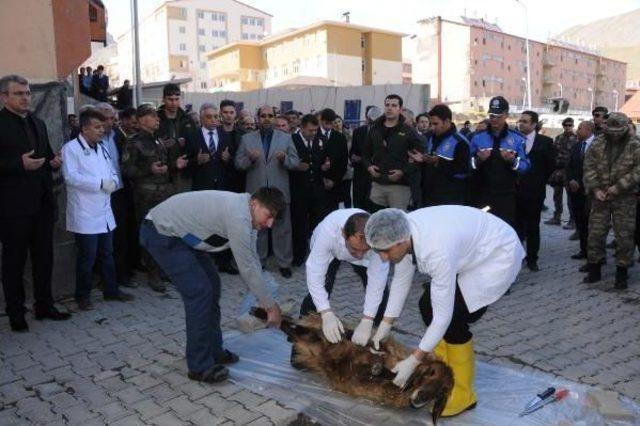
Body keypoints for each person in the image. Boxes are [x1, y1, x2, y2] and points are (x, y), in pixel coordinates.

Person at [363, 207, 524, 417]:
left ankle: (463, 394)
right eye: (378, 252)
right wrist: (385, 324)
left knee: (455, 317)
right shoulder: (401, 231)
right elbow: (401, 281)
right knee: (426, 305)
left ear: (401, 241)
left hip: (497, 255)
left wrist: (414, 360)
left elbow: (443, 317)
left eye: (386, 251)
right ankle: (441, 372)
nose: (383, 258)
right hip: (471, 249)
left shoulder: (435, 249)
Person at [140, 187, 285, 383]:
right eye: (268, 216)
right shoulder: (238, 216)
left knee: (212, 286)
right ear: (255, 203)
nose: (270, 223)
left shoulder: (248, 216)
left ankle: (214, 351)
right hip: (161, 231)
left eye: (274, 219)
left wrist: (266, 299)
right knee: (199, 292)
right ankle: (199, 367)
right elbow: (247, 267)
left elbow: (252, 259)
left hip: (183, 236)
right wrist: (270, 305)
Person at [0, 74, 69, 332]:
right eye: (19, 93)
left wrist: (53, 161)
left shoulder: (38, 123)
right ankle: (16, 313)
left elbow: (46, 155)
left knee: (44, 258)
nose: (26, 97)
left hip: (42, 203)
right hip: (13, 208)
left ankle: (44, 306)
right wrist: (19, 164)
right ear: (4, 96)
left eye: (28, 93)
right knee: (14, 262)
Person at [62, 108, 134, 310]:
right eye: (97, 127)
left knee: (107, 253)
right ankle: (82, 296)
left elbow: (111, 169)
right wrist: (100, 183)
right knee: (87, 257)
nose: (101, 130)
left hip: (104, 210)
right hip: (85, 213)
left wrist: (111, 181)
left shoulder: (101, 147)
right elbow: (71, 177)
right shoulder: (71, 149)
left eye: (102, 126)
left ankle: (111, 291)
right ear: (84, 129)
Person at [300, 209, 390, 344]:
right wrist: (326, 312)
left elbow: (377, 282)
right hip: (331, 251)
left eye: (365, 250)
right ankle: (303, 343)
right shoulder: (327, 233)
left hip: (367, 253)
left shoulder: (378, 240)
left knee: (382, 296)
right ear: (343, 233)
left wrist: (368, 319)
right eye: (355, 249)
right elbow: (314, 275)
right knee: (319, 293)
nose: (359, 255)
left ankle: (375, 340)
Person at [123, 104, 187, 292]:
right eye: (153, 117)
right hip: (146, 196)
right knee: (150, 234)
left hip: (164, 193)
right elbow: (126, 170)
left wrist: (175, 164)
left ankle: (164, 269)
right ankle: (153, 273)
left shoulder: (158, 141)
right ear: (142, 119)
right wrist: (148, 170)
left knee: (166, 232)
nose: (158, 119)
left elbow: (164, 166)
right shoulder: (133, 142)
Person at [235, 105, 299, 278]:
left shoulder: (286, 138)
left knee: (283, 228)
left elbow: (295, 163)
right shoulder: (247, 139)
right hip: (257, 191)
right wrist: (250, 159)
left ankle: (284, 263)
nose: (266, 119)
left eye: (270, 115)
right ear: (258, 118)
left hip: (279, 190)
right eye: (263, 116)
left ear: (275, 117)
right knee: (258, 229)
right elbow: (238, 164)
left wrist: (285, 159)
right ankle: (258, 262)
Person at [583, 112, 640, 289]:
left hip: (625, 198)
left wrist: (619, 186)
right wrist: (595, 188)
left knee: (624, 236)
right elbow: (588, 166)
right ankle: (595, 269)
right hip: (601, 197)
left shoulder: (634, 145)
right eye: (611, 130)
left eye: (618, 131)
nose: (614, 134)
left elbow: (638, 170)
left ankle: (621, 273)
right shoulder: (598, 143)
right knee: (596, 233)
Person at [469, 96, 530, 228]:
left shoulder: (517, 139)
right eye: (491, 115)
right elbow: (466, 165)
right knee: (482, 230)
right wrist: (478, 160)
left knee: (504, 230)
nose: (494, 119)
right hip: (482, 194)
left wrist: (512, 161)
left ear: (506, 115)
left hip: (506, 196)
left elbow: (525, 167)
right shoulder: (477, 138)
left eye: (498, 116)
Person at [96, 103, 138, 288]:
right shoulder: (90, 139)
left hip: (119, 192)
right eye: (106, 118)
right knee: (104, 238)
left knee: (121, 234)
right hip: (100, 193)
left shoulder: (117, 137)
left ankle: (122, 273)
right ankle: (104, 276)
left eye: (113, 119)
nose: (110, 123)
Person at [362, 94, 424, 211]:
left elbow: (419, 158)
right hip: (377, 185)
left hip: (399, 187)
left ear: (400, 109)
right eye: (387, 105)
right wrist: (369, 167)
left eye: (394, 105)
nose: (389, 108)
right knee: (377, 222)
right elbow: (365, 153)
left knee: (398, 224)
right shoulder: (375, 130)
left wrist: (403, 172)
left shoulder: (408, 131)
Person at [289, 114, 334, 266]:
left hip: (317, 191)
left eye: (315, 130)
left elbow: (325, 160)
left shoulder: (321, 140)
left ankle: (318, 255)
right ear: (301, 128)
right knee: (299, 226)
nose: (313, 134)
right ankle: (298, 256)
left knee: (318, 224)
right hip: (299, 191)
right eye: (310, 131)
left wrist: (325, 166)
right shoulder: (292, 140)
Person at [515, 110, 555, 272]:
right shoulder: (513, 139)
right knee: (516, 227)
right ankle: (516, 257)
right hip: (514, 191)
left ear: (533, 124)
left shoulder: (545, 142)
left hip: (534, 192)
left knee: (533, 226)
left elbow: (550, 165)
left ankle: (532, 258)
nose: (521, 123)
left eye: (525, 121)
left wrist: (538, 182)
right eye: (520, 121)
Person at [408, 104, 470, 207]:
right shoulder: (432, 138)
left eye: (436, 124)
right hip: (429, 196)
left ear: (446, 122)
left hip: (450, 199)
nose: (432, 127)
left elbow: (463, 170)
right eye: (431, 124)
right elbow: (431, 163)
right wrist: (423, 160)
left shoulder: (460, 142)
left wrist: (438, 162)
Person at [157, 83, 197, 193]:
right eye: (170, 99)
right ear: (163, 99)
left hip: (183, 172)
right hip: (162, 173)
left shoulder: (187, 119)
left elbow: (195, 144)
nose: (174, 103)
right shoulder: (156, 119)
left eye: (176, 99)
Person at [566, 121, 595, 262]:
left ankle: (594, 254)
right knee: (580, 222)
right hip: (576, 190)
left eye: (580, 128)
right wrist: (571, 180)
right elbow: (570, 166)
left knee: (592, 224)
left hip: (591, 191)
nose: (577, 130)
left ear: (589, 130)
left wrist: (585, 183)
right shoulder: (577, 146)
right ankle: (584, 250)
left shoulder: (598, 146)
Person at [546, 117, 577, 226]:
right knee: (557, 195)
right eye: (566, 125)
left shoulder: (577, 139)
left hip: (569, 171)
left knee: (570, 198)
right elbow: (554, 152)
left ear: (573, 126)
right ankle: (556, 217)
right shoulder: (558, 138)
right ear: (563, 126)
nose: (568, 127)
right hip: (558, 170)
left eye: (570, 125)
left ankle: (572, 220)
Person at [350, 106, 381, 210]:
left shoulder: (383, 132)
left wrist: (363, 159)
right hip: (360, 175)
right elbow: (353, 151)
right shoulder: (358, 131)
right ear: (366, 117)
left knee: (372, 205)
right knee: (358, 204)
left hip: (375, 175)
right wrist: (353, 158)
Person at [317, 109, 349, 210]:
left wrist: (334, 180)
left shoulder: (340, 138)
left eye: (331, 122)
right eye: (327, 122)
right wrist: (321, 177)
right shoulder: (314, 135)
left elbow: (343, 162)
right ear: (321, 121)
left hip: (334, 185)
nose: (329, 125)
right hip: (316, 183)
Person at [333, 115, 353, 208]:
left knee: (347, 193)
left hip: (347, 167)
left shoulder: (349, 134)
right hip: (335, 167)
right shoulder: (332, 136)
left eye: (339, 121)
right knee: (336, 194)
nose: (337, 124)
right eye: (335, 122)